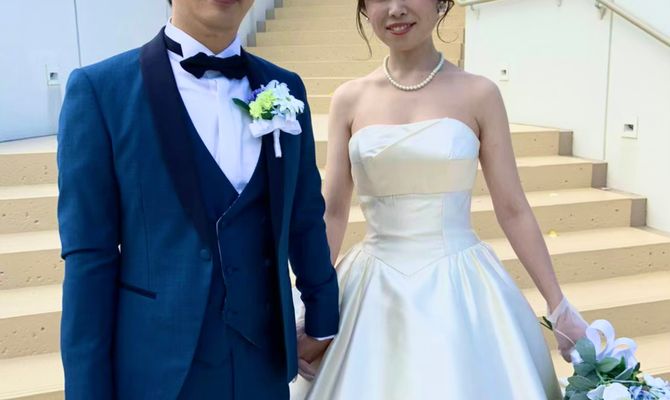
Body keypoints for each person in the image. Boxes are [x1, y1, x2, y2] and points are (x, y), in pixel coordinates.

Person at [290, 0, 587, 398]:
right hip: (370, 286)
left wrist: (558, 305)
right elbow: (334, 212)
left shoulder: (480, 93)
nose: (396, 9)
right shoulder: (349, 98)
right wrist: (312, 304)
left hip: (461, 285)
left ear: (441, 3)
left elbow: (513, 209)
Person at [57, 0, 338, 398]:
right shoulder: (101, 91)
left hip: (263, 369)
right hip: (158, 372)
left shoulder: (286, 87)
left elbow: (304, 213)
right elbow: (90, 257)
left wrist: (323, 318)